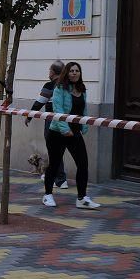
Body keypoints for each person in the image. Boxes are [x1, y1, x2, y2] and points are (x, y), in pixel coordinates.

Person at [43, 61, 100, 210]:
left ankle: (82, 198)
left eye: (77, 71)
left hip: (75, 133)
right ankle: (47, 195)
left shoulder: (82, 89)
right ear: (66, 73)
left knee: (83, 164)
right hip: (58, 133)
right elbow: (58, 109)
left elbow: (84, 109)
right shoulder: (60, 88)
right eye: (71, 71)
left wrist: (84, 127)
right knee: (54, 165)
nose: (74, 73)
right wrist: (64, 128)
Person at [27, 60, 69, 189]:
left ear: (53, 72)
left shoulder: (50, 85)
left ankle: (60, 179)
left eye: (49, 70)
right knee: (58, 150)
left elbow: (40, 102)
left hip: (52, 121)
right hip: (66, 121)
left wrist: (29, 116)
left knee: (53, 149)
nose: (48, 73)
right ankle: (55, 175)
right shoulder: (67, 85)